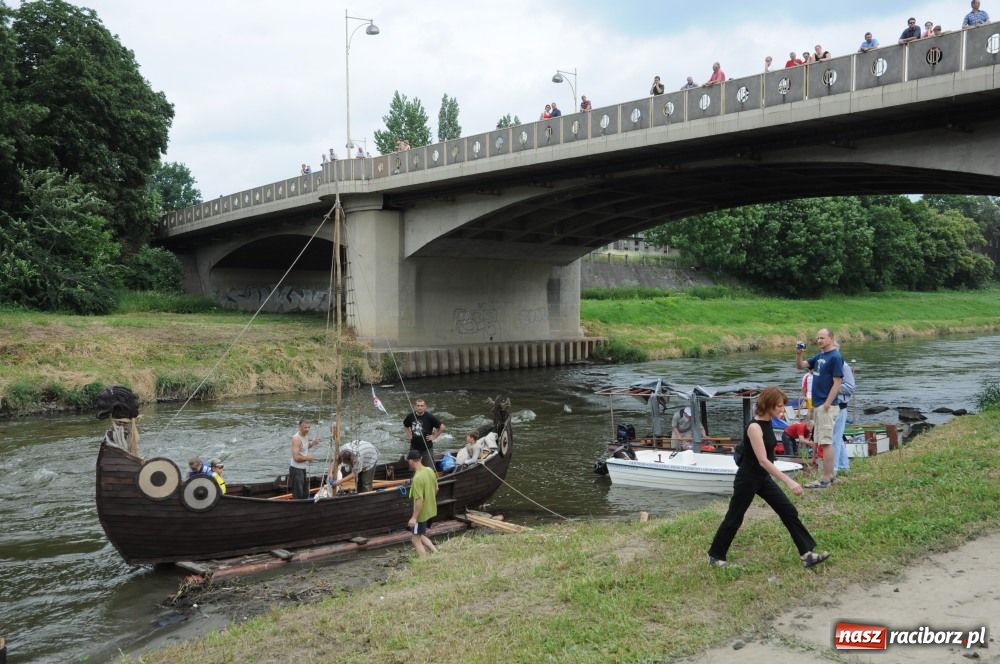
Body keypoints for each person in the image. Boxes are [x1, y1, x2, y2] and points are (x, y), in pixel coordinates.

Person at [708, 387, 830, 569]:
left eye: (783, 406)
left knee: (788, 510)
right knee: (735, 517)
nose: (782, 409)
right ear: (768, 405)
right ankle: (715, 557)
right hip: (747, 479)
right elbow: (763, 461)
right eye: (779, 406)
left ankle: (807, 555)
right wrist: (789, 481)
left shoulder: (768, 422)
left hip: (762, 478)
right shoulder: (754, 427)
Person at [796, 328, 844, 489]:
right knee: (821, 440)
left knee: (826, 442)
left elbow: (837, 382)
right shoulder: (819, 356)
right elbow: (801, 366)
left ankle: (826, 477)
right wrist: (799, 354)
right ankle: (829, 476)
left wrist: (827, 404)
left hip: (825, 406)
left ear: (831, 338)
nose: (819, 341)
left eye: (822, 338)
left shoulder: (835, 357)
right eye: (817, 338)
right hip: (817, 405)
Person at [406, 449, 439, 557]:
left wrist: (414, 517)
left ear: (411, 461)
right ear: (420, 459)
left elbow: (418, 500)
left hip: (421, 515)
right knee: (419, 534)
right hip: (431, 510)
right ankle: (436, 552)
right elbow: (436, 489)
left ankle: (425, 562)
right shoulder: (429, 470)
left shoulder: (417, 478)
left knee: (415, 539)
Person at [403, 399, 445, 470]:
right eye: (418, 406)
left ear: (425, 407)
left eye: (422, 406)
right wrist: (409, 435)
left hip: (427, 448)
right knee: (413, 469)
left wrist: (434, 436)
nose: (420, 407)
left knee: (429, 468)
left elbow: (442, 427)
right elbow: (405, 426)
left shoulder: (430, 417)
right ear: (415, 407)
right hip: (414, 447)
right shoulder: (410, 416)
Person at [831, 357, 856, 475]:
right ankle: (844, 467)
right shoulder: (825, 363)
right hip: (828, 406)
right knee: (837, 438)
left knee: (834, 439)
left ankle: (834, 469)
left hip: (839, 406)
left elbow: (851, 388)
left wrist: (833, 386)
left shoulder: (844, 366)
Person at [289, 419, 320, 500]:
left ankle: (305, 504)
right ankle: (297, 506)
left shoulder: (305, 435)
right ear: (300, 427)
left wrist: (313, 443)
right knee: (298, 494)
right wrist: (308, 458)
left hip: (303, 468)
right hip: (296, 470)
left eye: (309, 427)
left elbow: (304, 447)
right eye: (305, 427)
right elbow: (296, 457)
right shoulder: (296, 439)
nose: (307, 429)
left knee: (305, 492)